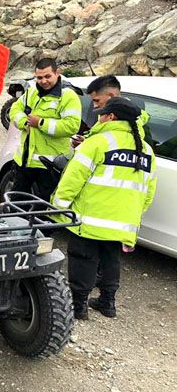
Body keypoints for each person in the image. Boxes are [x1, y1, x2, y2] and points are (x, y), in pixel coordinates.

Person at [51, 97, 157, 319]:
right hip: (121, 221)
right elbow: (148, 190)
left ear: (111, 117)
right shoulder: (145, 149)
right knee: (111, 260)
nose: (99, 116)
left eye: (102, 113)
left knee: (83, 258)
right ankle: (108, 302)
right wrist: (133, 214)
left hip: (90, 217)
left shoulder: (98, 142)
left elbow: (72, 179)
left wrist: (59, 207)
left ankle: (79, 305)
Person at [8, 57, 81, 201]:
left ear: (57, 73)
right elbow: (14, 110)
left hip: (50, 166)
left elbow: (72, 126)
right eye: (39, 77)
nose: (43, 81)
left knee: (44, 212)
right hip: (24, 162)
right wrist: (24, 122)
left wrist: (40, 123)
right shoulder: (31, 92)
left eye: (47, 76)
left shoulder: (68, 97)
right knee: (15, 206)